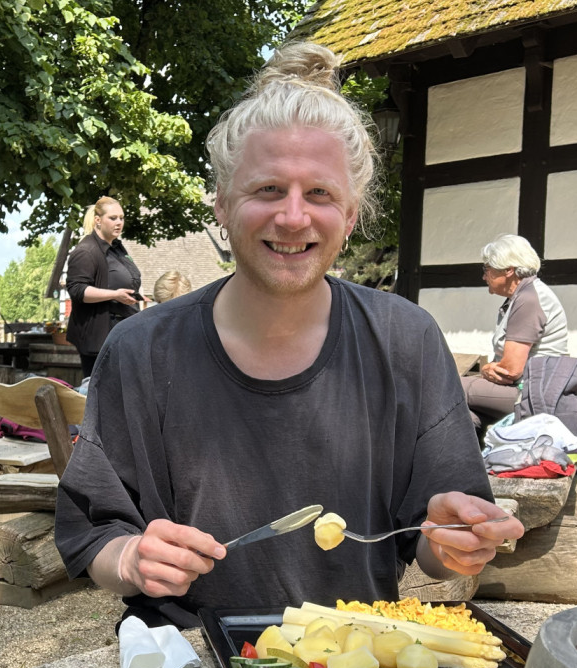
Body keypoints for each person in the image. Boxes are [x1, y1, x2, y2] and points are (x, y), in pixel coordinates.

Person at [54, 43, 523, 628]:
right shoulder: (142, 350)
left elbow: (429, 546)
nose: (294, 217)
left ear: (350, 215)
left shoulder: (407, 340)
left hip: (357, 665)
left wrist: (458, 540)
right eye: (268, 190)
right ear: (223, 206)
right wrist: (131, 559)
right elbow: (92, 533)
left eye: (320, 194)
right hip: (189, 660)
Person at [462, 234, 569, 429]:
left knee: (446, 385)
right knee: (465, 417)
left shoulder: (528, 299)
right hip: (526, 391)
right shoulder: (524, 295)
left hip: (532, 394)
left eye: (487, 269)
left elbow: (510, 370)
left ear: (508, 270)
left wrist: (486, 368)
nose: (484, 276)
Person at [64, 196, 142, 378]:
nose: (119, 223)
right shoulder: (86, 251)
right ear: (97, 220)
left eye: (122, 218)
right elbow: (77, 290)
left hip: (122, 332)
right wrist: (114, 294)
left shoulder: (116, 248)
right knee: (101, 394)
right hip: (98, 338)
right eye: (113, 218)